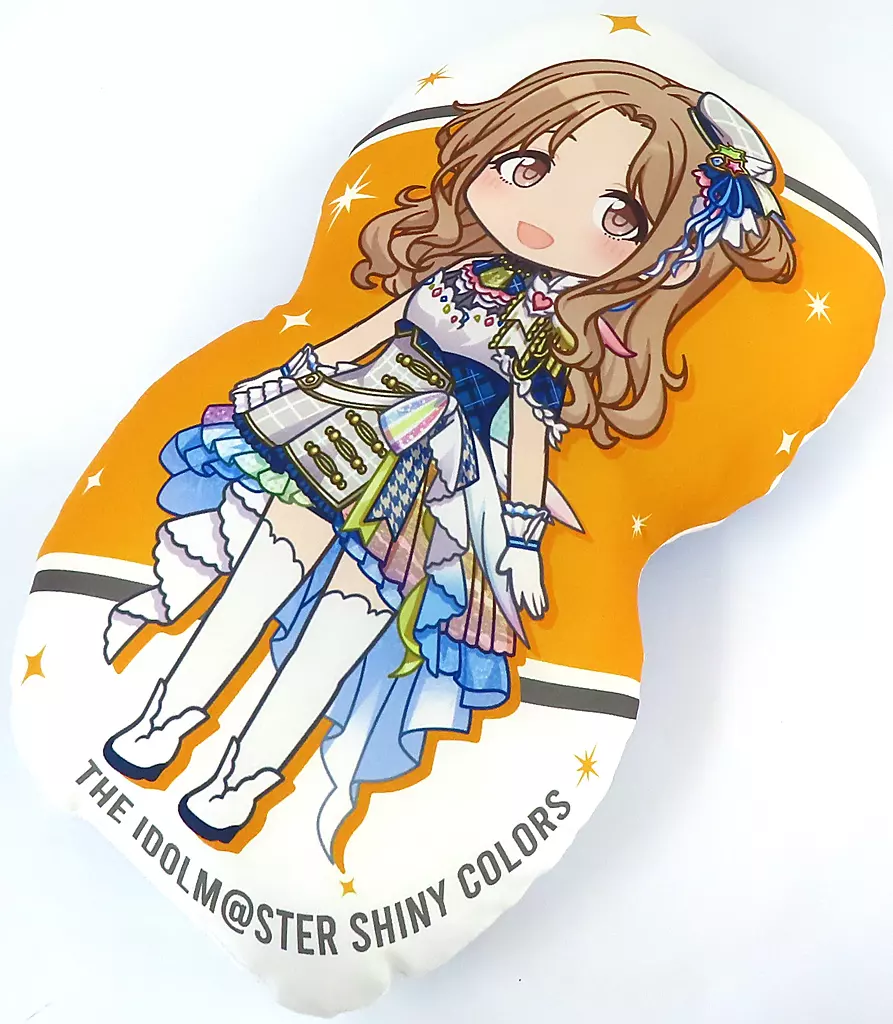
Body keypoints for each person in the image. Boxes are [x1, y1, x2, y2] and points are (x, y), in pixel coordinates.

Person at [101, 60, 796, 861]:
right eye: (529, 168)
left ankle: (244, 778)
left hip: (434, 485)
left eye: (616, 214)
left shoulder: (547, 333)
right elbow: (381, 327)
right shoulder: (460, 273)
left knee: (345, 624)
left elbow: (528, 432)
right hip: (345, 431)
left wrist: (521, 538)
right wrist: (297, 374)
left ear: (654, 245)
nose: (545, 216)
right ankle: (167, 716)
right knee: (259, 579)